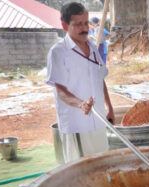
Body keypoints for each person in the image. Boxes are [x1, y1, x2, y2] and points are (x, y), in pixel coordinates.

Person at [46, 2, 115, 163]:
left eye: (85, 22)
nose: (84, 28)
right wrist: (80, 104)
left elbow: (100, 78)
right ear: (64, 25)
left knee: (101, 164)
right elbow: (60, 90)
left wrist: (109, 107)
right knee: (79, 169)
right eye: (78, 24)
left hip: (98, 120)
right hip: (76, 123)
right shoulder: (58, 52)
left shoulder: (92, 46)